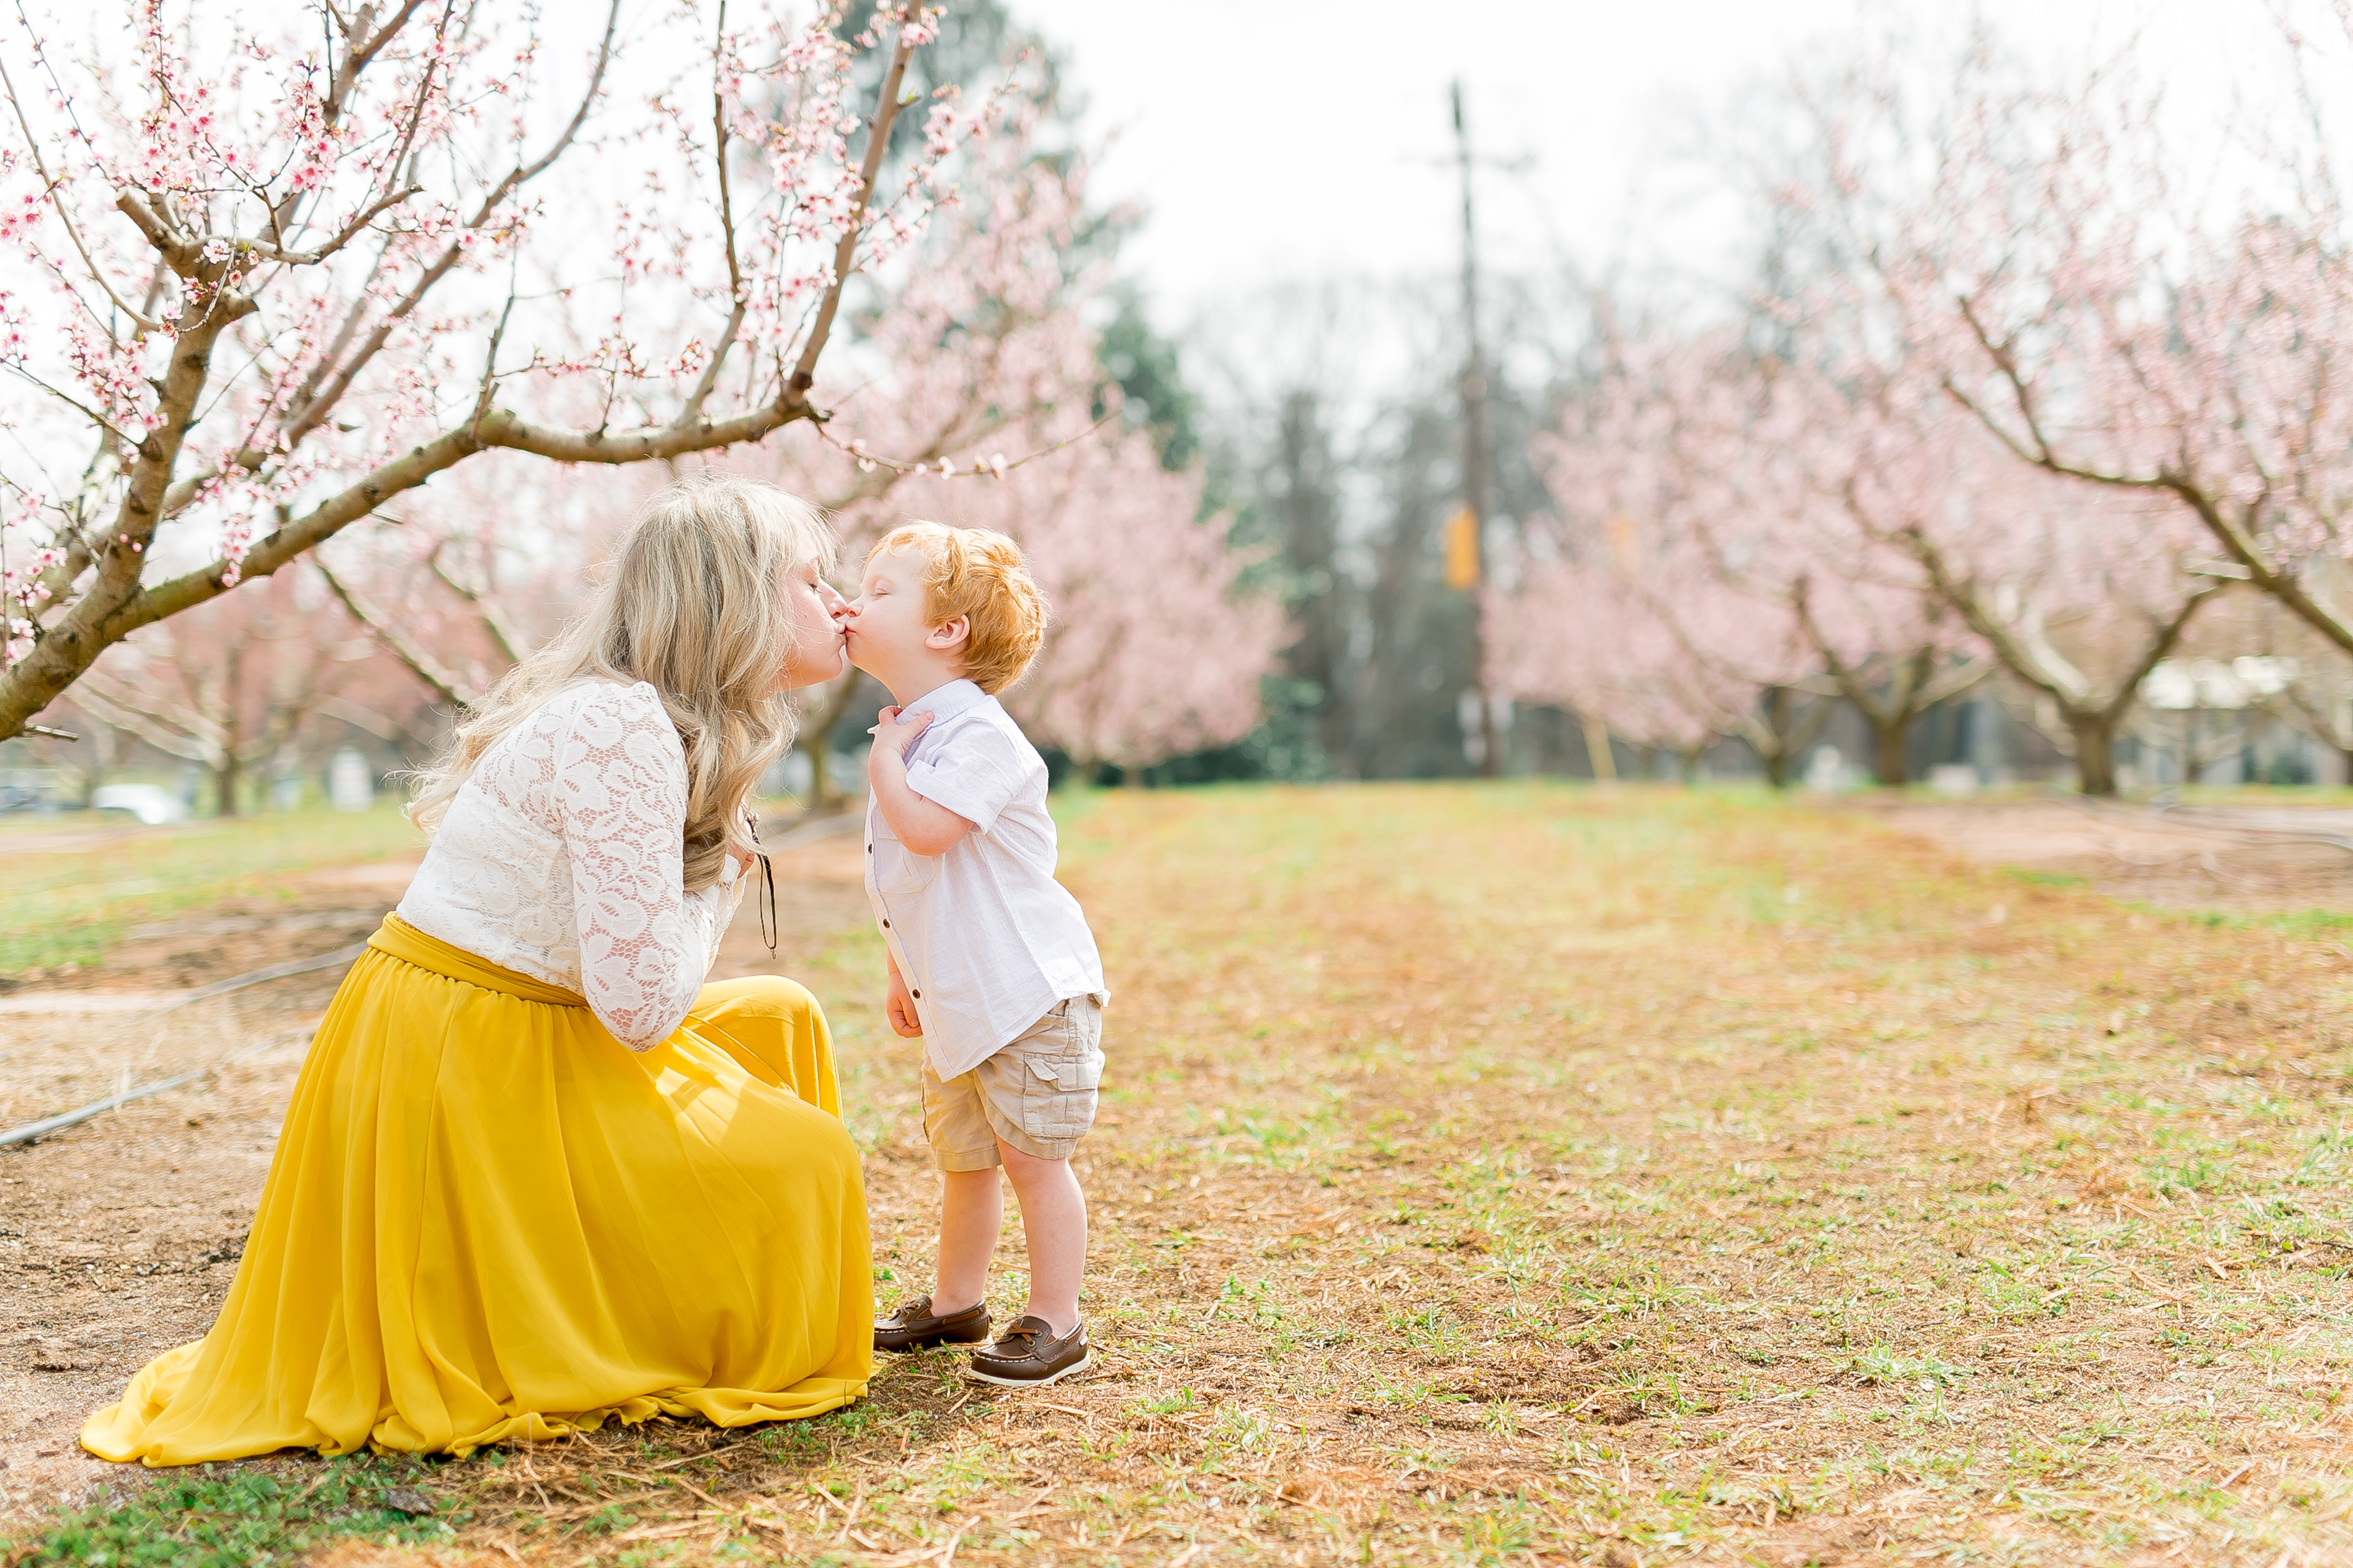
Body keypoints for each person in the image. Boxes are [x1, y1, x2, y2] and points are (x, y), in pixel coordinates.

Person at [82, 476, 874, 1465]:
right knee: (812, 1161)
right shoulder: (620, 728)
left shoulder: (635, 718)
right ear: (738, 604)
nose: (839, 604)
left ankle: (690, 1282)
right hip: (469, 1065)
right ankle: (705, 1309)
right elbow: (638, 1009)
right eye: (813, 580)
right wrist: (724, 880)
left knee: (781, 1013)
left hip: (503, 1021)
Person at [845, 522, 1106, 1388]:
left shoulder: (979, 736)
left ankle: (1056, 1320)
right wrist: (899, 970)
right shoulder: (917, 730)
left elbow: (923, 833)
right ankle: (957, 1302)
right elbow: (908, 885)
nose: (853, 599)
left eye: (881, 590)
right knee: (964, 1160)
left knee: (1034, 1160)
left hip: (1026, 992)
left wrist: (884, 760)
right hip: (960, 996)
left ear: (946, 630)